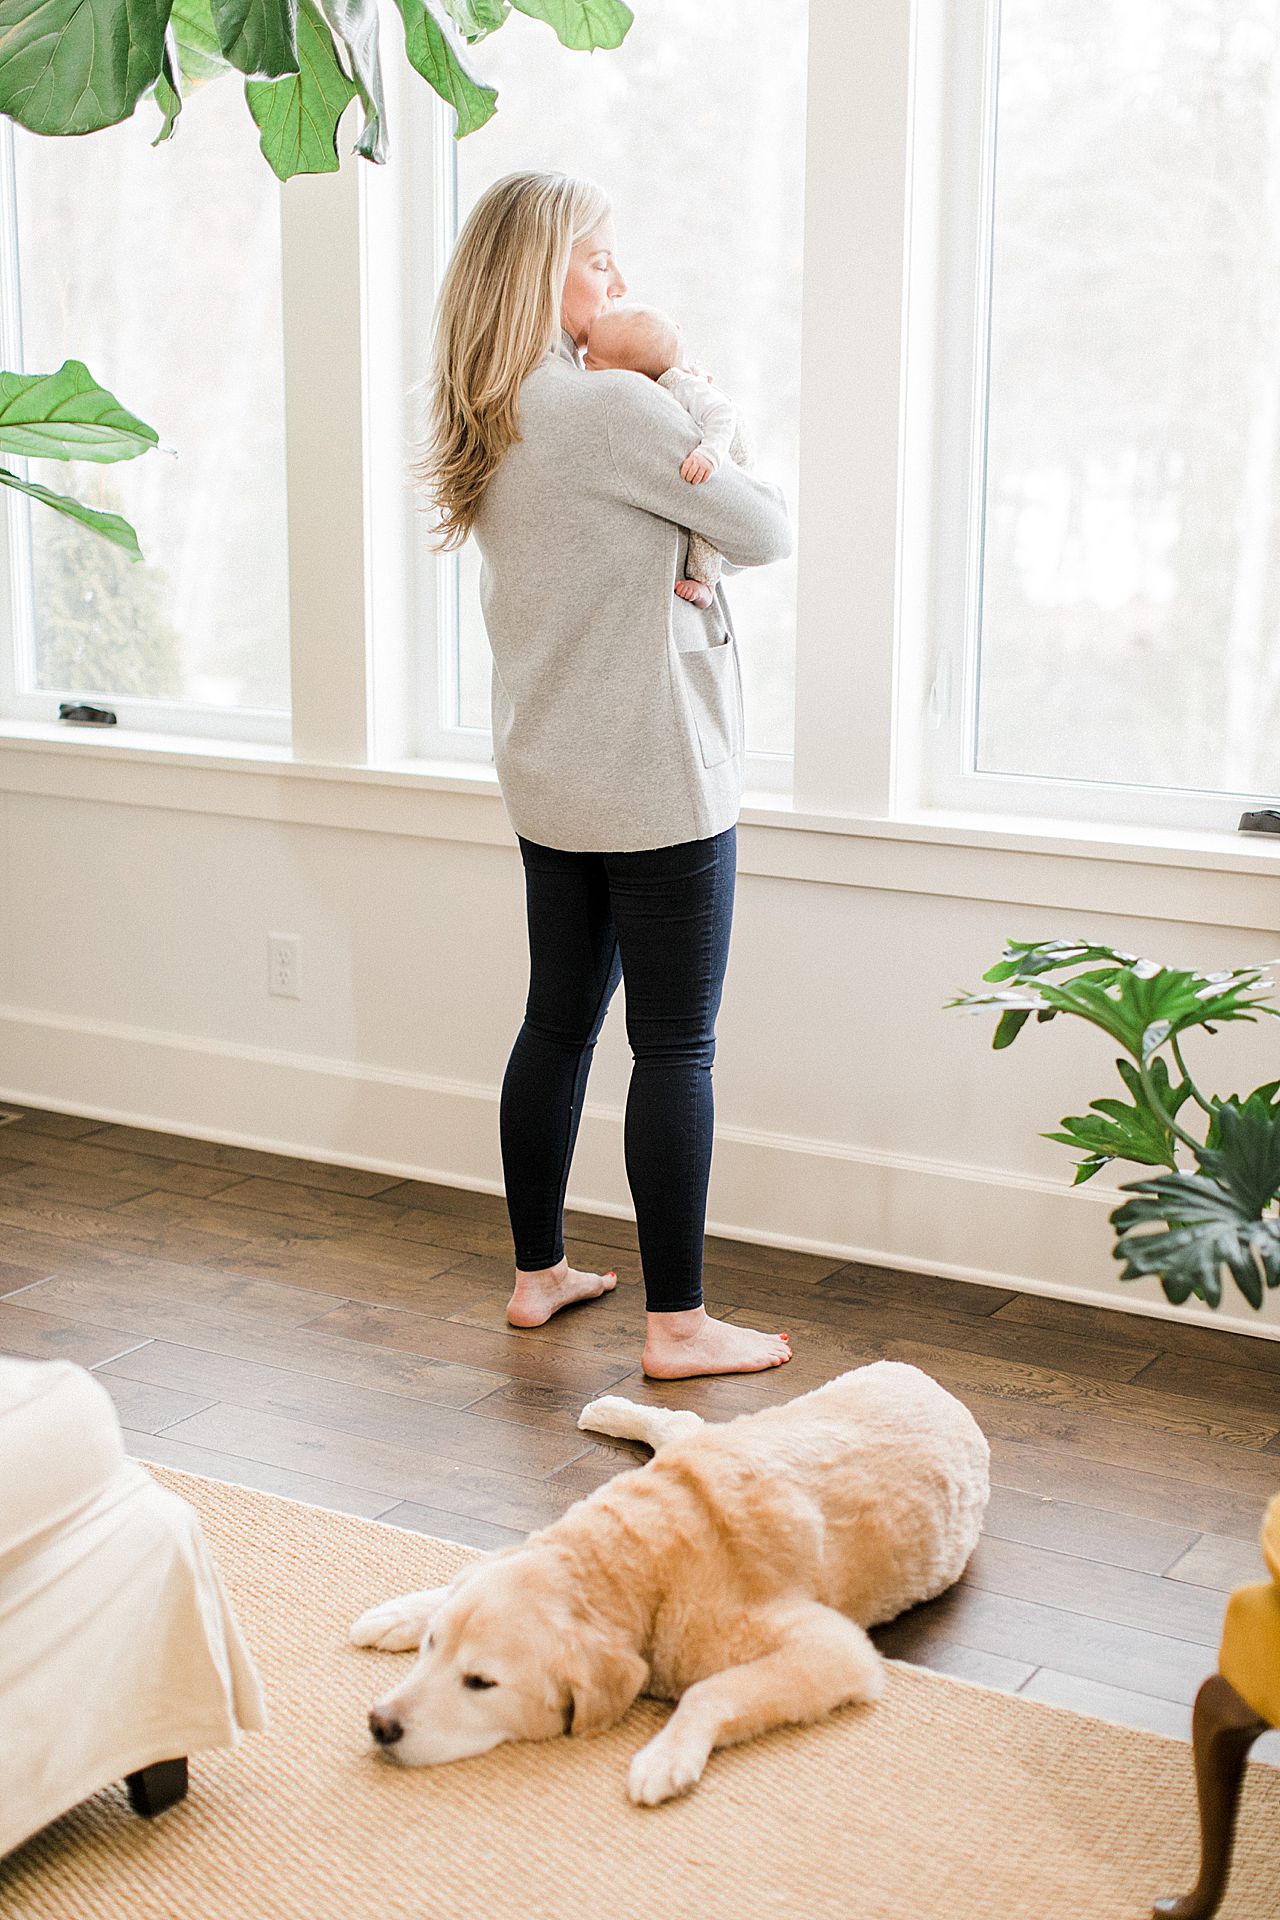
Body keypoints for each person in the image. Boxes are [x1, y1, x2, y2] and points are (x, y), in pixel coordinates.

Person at [412, 170, 794, 1380]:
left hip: (548, 778)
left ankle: (538, 1277)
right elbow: (765, 527)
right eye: (597, 262)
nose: (615, 283)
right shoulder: (614, 412)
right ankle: (677, 1326)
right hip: (658, 782)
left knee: (555, 1025)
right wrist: (685, 396)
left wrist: (683, 551)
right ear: (541, 276)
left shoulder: (489, 415)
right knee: (674, 1050)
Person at [583, 302, 751, 610]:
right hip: (711, 446)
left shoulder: (681, 384)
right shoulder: (649, 389)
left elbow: (723, 413)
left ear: (628, 375)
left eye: (591, 361)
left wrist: (709, 455)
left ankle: (704, 583)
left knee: (705, 531)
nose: (583, 365)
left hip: (727, 452)